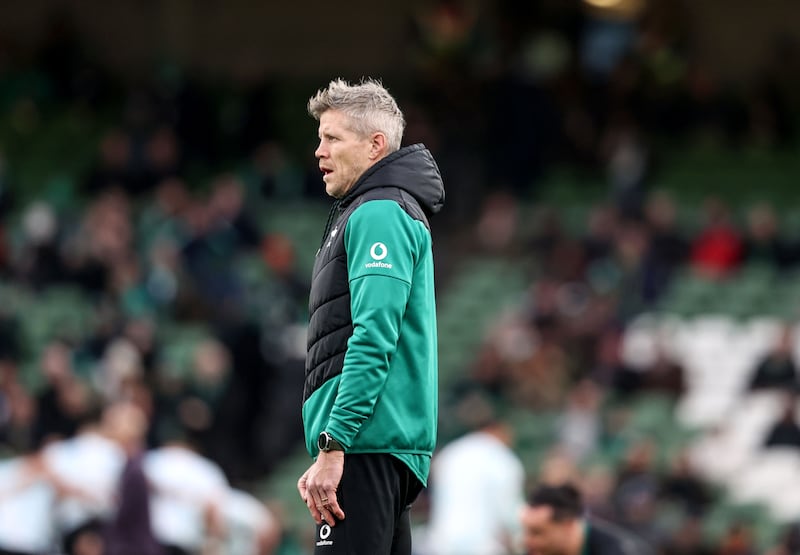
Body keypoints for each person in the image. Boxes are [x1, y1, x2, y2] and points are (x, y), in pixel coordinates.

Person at [296, 77, 445, 554]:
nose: (319, 151)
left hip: (364, 444)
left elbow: (374, 332)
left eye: (332, 138)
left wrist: (334, 441)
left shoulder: (379, 211)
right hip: (377, 443)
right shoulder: (372, 208)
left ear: (375, 145)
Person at [423, 397, 525, 555]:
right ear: (499, 428)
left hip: (441, 545)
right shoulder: (501, 457)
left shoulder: (450, 452)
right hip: (483, 547)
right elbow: (509, 512)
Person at [520, 483, 655, 555]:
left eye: (537, 532)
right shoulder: (540, 550)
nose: (527, 542)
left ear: (568, 524)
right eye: (526, 531)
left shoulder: (618, 551)